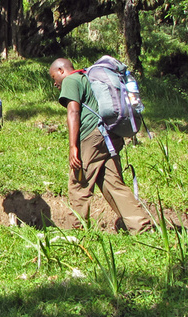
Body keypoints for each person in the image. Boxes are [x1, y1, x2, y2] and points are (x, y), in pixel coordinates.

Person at [48, 57, 151, 232]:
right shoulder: (86, 77)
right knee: (113, 183)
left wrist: (73, 146)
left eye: (53, 78)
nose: (55, 83)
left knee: (79, 182)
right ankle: (141, 226)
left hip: (92, 137)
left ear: (61, 70)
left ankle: (75, 232)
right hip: (109, 136)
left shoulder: (71, 80)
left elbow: (73, 111)